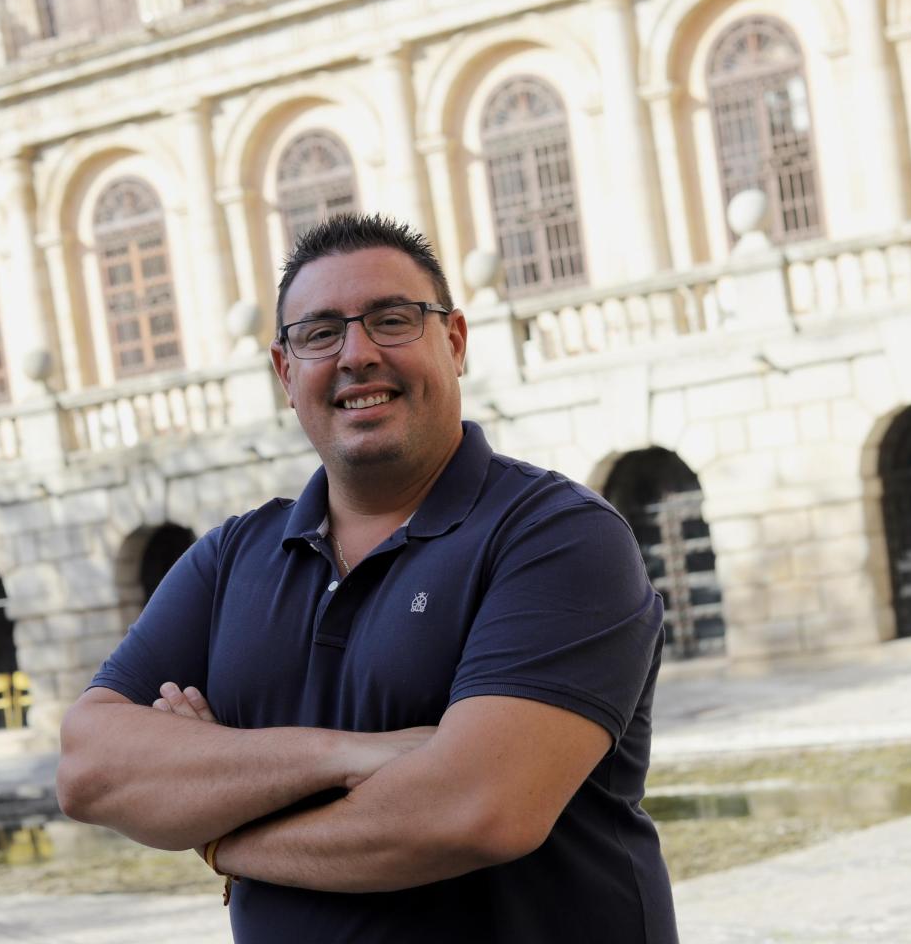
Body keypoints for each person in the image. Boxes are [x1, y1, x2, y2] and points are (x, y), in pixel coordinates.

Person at [56, 214, 676, 943]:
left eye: (391, 320)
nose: (356, 354)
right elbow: (89, 769)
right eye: (320, 333)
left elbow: (475, 810)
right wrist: (349, 754)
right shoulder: (230, 558)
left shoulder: (555, 536)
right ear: (286, 373)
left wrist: (226, 833)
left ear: (454, 341)